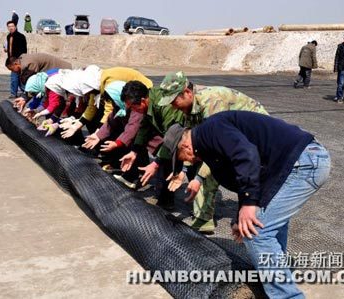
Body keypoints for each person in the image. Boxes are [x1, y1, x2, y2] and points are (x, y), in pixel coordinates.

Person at [163, 112, 330, 298]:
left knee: (257, 233)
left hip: (304, 162)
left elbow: (247, 155)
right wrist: (240, 216)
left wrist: (250, 203)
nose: (188, 161)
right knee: (260, 225)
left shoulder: (211, 131)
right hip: (299, 162)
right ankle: (272, 274)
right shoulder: (209, 144)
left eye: (182, 156)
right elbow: (245, 176)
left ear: (186, 145)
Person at [137, 71, 269, 233]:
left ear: (187, 92)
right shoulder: (188, 108)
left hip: (255, 136)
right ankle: (203, 219)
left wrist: (198, 178)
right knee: (206, 169)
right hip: (233, 138)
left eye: (173, 101)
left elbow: (215, 149)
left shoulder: (211, 102)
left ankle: (253, 214)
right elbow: (189, 142)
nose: (173, 106)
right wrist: (184, 171)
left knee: (221, 170)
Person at [119, 81, 185, 207]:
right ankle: (165, 199)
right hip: (174, 134)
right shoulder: (150, 102)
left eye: (133, 107)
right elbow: (144, 127)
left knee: (174, 163)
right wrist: (134, 151)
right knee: (164, 160)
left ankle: (171, 202)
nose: (133, 111)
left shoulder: (164, 105)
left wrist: (156, 163)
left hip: (187, 134)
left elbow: (173, 137)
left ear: (143, 101)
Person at [59, 67, 153, 140]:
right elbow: (91, 107)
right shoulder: (95, 85)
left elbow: (109, 111)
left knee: (135, 125)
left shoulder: (109, 83)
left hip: (142, 93)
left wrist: (97, 134)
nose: (88, 95)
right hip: (130, 98)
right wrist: (77, 125)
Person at [82, 81, 146, 188]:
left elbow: (132, 127)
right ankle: (132, 175)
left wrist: (118, 143)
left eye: (113, 101)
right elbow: (110, 122)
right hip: (136, 137)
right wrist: (98, 135)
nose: (112, 104)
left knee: (137, 151)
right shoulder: (119, 107)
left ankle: (137, 177)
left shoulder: (136, 108)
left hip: (144, 136)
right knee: (133, 151)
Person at [5, 53, 72, 86]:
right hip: (55, 72)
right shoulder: (22, 58)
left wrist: (24, 98)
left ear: (16, 64)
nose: (13, 72)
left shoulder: (29, 64)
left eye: (12, 69)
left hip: (64, 71)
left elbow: (34, 83)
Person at [5, 20, 27, 98]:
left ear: (15, 27)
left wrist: (20, 60)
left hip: (18, 61)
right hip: (11, 61)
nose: (11, 28)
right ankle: (14, 93)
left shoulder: (21, 36)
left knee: (20, 77)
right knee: (14, 78)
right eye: (9, 27)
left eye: (12, 26)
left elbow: (24, 50)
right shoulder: (8, 36)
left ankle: (24, 92)